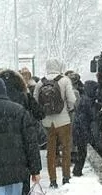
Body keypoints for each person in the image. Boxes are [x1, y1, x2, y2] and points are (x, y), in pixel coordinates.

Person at [0, 69, 46, 195]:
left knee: (1, 189)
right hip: (20, 146)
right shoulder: (24, 96)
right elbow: (40, 113)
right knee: (22, 184)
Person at [33, 59, 76, 188]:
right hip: (63, 121)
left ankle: (52, 180)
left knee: (50, 152)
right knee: (66, 149)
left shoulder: (40, 82)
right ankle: (66, 177)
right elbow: (72, 99)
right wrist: (69, 108)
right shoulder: (64, 80)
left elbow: (35, 100)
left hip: (47, 122)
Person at [72, 80, 102, 176]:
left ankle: (77, 171)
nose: (97, 92)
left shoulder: (85, 99)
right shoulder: (87, 101)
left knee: (83, 152)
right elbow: (93, 116)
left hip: (81, 129)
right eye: (95, 89)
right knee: (96, 148)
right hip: (83, 130)